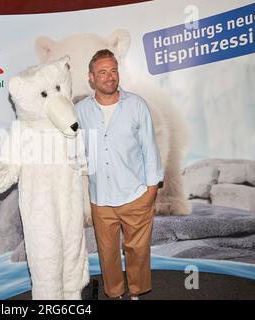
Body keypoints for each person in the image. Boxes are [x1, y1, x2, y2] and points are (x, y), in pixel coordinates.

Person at [75, 49, 163, 300]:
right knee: (107, 253)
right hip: (100, 197)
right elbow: (71, 148)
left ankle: (136, 293)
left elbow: (150, 147)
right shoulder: (80, 111)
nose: (109, 77)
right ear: (91, 77)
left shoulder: (136, 105)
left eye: (113, 70)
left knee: (137, 250)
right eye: (102, 72)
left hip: (136, 194)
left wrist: (151, 190)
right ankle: (114, 294)